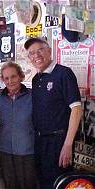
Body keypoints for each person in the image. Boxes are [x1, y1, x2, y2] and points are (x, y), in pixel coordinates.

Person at [24, 37, 82, 189]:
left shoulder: (64, 74)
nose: (36, 55)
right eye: (32, 53)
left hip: (59, 142)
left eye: (40, 50)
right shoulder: (37, 79)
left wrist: (68, 145)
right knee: (42, 182)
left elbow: (76, 109)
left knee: (58, 184)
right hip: (40, 142)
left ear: (49, 51)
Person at [0, 62, 38, 189]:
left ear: (20, 76)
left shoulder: (33, 95)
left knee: (28, 185)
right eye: (6, 78)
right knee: (9, 185)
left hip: (27, 150)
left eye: (13, 76)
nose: (10, 81)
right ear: (2, 80)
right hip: (5, 150)